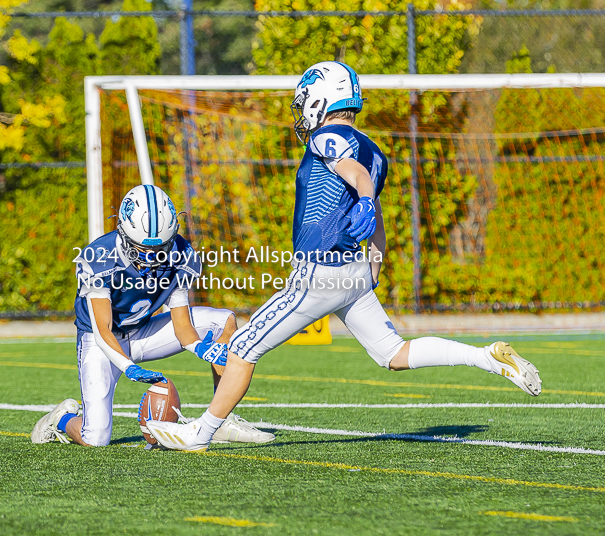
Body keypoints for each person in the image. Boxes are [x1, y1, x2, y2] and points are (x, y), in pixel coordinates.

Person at [146, 61, 542, 452]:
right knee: (393, 353)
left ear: (320, 100)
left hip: (321, 273)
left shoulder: (326, 137)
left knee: (243, 347)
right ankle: (487, 357)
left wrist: (366, 201)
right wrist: (376, 262)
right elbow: (374, 206)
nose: (301, 111)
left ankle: (200, 434)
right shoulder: (377, 151)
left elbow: (354, 174)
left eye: (304, 102)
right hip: (353, 272)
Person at [31, 184, 274, 447]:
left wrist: (200, 349)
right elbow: (102, 329)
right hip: (101, 340)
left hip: (143, 332)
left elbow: (182, 324)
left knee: (223, 320)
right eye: (142, 249)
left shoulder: (181, 254)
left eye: (160, 249)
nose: (152, 259)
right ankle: (61, 419)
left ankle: (220, 421)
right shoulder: (99, 256)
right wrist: (129, 367)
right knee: (95, 438)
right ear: (122, 232)